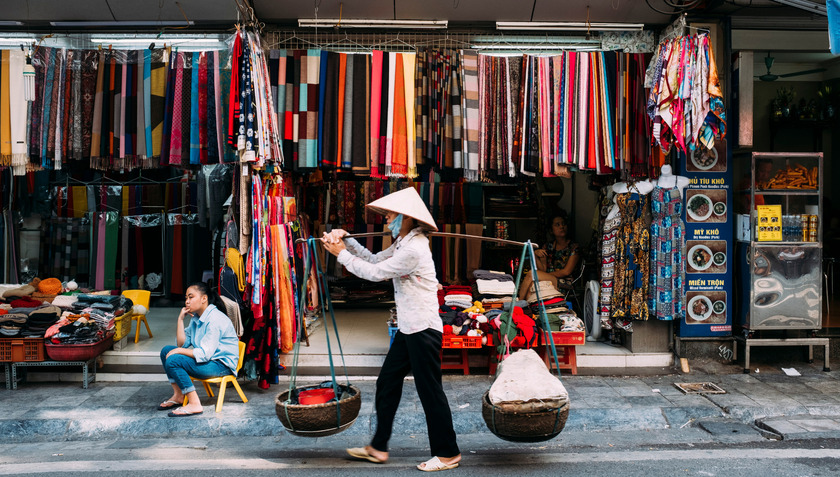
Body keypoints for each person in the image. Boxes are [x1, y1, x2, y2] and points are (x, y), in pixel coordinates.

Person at [321, 187, 461, 473]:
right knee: (387, 382)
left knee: (430, 391)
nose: (386, 221)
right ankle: (378, 447)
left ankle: (448, 453)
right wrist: (347, 240)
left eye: (390, 215)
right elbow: (373, 259)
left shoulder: (414, 248)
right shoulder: (402, 243)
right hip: (409, 328)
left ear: (407, 218)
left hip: (423, 330)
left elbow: (374, 274)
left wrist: (341, 255)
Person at [157, 282, 239, 417]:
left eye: (191, 297)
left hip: (221, 365)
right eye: (186, 298)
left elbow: (204, 354)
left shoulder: (214, 319)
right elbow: (181, 344)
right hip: (209, 361)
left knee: (174, 359)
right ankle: (178, 396)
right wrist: (180, 319)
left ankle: (194, 403)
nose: (187, 301)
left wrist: (179, 352)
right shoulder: (197, 318)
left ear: (204, 299)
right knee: (166, 351)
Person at [518, 211, 581, 301]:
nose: (561, 227)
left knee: (532, 274)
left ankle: (518, 303)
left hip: (565, 283)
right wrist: (535, 255)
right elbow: (542, 269)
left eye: (563, 224)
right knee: (532, 284)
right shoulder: (548, 247)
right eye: (557, 225)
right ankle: (529, 311)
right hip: (550, 280)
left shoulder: (574, 247)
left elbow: (566, 272)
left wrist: (544, 275)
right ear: (551, 230)